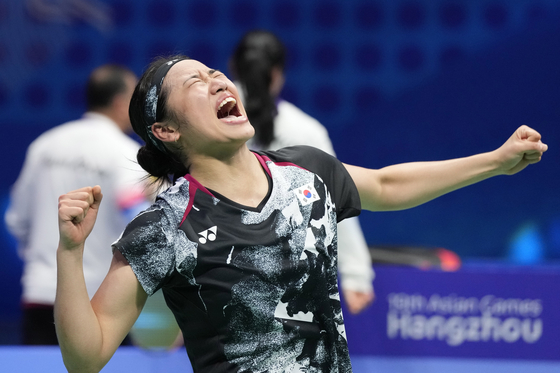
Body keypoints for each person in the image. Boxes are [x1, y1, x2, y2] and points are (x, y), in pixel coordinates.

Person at [54, 55, 547, 373]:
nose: (217, 81)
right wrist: (70, 253)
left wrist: (495, 162)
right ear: (166, 130)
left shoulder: (305, 172)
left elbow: (388, 184)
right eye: (195, 83)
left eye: (214, 73)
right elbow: (87, 356)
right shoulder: (166, 225)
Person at [230, 30, 374, 314]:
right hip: (287, 280)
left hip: (213, 269)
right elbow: (334, 202)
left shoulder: (204, 122)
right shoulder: (306, 131)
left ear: (231, 67)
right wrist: (356, 273)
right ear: (278, 73)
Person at [5, 64, 149, 345]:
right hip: (102, 302)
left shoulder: (44, 145)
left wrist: (42, 264)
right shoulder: (128, 155)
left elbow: (16, 221)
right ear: (120, 103)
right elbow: (141, 226)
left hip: (41, 292)